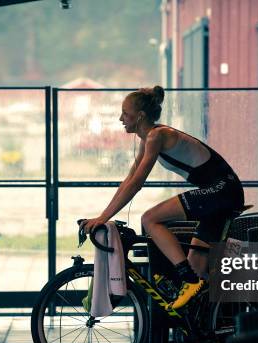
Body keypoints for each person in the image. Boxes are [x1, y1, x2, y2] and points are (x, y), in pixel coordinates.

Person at [80, 86, 244, 309]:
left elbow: (137, 184)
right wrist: (102, 216)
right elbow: (128, 181)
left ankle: (184, 275)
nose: (120, 118)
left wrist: (102, 218)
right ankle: (209, 324)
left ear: (140, 116)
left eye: (125, 114)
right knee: (198, 271)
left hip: (223, 190)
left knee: (150, 219)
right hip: (219, 193)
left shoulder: (157, 136)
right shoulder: (147, 139)